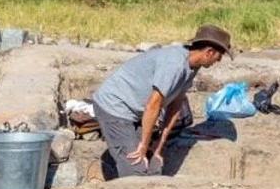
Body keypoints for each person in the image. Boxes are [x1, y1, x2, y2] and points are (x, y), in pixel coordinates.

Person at [92, 25, 232, 179]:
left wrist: (158, 145)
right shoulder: (174, 64)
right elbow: (153, 105)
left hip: (135, 111)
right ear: (209, 52)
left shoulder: (192, 67)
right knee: (135, 170)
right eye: (219, 57)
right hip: (114, 106)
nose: (217, 62)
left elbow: (175, 105)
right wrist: (144, 145)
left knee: (154, 167)